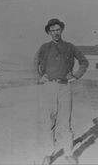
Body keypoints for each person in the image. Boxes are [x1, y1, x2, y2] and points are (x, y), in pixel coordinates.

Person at [34, 18, 89, 165]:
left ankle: (69, 154)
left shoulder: (70, 47)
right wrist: (40, 77)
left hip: (65, 87)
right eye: (52, 31)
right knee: (48, 122)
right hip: (49, 88)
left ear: (61, 30)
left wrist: (76, 76)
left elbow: (84, 62)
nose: (55, 33)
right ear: (48, 32)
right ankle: (48, 154)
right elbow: (35, 63)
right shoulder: (44, 48)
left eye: (57, 30)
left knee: (65, 122)